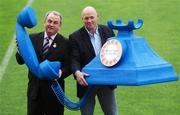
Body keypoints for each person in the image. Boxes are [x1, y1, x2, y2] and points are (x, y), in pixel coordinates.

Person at [16, 11, 71, 115]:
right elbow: (20, 61)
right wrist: (20, 50)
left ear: (60, 26)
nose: (51, 24)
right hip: (34, 93)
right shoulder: (32, 38)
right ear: (44, 22)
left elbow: (69, 66)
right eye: (49, 21)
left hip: (54, 94)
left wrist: (60, 73)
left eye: (55, 22)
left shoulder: (66, 43)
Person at [69, 6, 118, 115]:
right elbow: (74, 59)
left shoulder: (108, 31)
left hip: (106, 81)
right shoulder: (74, 37)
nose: (89, 21)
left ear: (97, 17)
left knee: (112, 113)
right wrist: (77, 73)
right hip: (86, 82)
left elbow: (116, 52)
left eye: (92, 17)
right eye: (86, 18)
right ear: (82, 19)